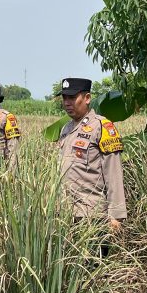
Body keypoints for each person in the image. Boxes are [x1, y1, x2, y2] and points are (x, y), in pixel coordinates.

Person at [54, 77, 126, 232]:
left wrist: (116, 215)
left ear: (87, 98)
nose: (67, 103)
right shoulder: (66, 129)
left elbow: (113, 174)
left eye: (72, 98)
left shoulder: (102, 127)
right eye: (64, 98)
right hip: (67, 213)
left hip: (93, 215)